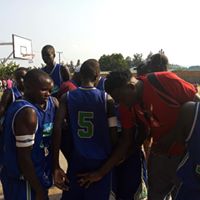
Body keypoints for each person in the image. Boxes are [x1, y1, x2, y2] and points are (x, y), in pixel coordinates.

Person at [105, 69, 199, 200]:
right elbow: (128, 138)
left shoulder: (164, 81)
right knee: (155, 194)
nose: (121, 104)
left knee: (183, 194)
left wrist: (172, 137)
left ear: (131, 87)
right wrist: (119, 159)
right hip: (160, 155)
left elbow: (196, 107)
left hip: (186, 155)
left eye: (121, 99)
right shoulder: (126, 105)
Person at [53, 59, 132, 200]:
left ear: (80, 75)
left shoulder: (67, 97)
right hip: (101, 160)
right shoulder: (107, 99)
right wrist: (114, 158)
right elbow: (113, 134)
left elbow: (57, 127)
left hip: (77, 158)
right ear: (97, 76)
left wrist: (56, 164)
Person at [1, 69, 58, 200]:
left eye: (50, 90)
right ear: (28, 88)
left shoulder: (48, 104)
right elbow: (24, 159)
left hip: (36, 174)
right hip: (25, 180)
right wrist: (38, 190)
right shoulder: (27, 112)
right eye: (44, 90)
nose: (48, 94)